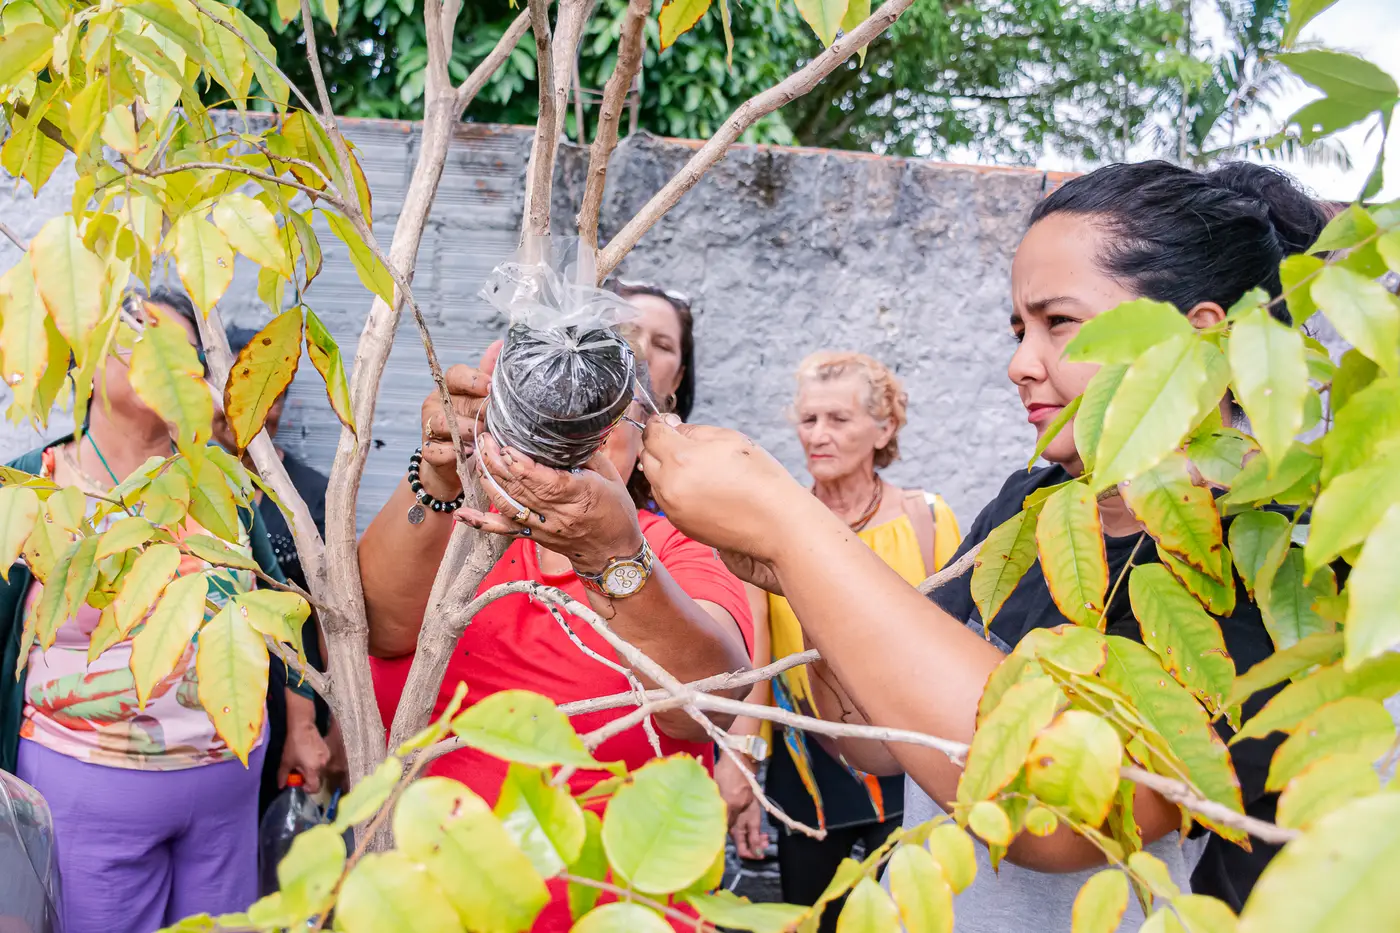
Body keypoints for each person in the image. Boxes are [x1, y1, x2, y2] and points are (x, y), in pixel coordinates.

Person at [637, 161, 1326, 930]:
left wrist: (794, 530)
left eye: (1058, 323)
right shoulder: (1030, 507)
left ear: (1197, 338)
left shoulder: (1278, 557)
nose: (1020, 364)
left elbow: (1057, 816)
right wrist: (791, 568)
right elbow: (877, 740)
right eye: (1019, 329)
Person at [358, 287, 753, 932]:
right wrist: (438, 475)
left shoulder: (675, 549)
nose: (573, 433)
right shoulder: (454, 533)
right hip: (426, 907)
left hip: (618, 913)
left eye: (604, 414)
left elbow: (703, 706)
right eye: (549, 404)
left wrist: (608, 553)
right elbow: (379, 629)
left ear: (648, 432)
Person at [0, 288, 323, 933]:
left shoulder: (220, 485)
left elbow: (281, 607)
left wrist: (303, 725)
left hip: (225, 795)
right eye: (140, 336)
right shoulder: (33, 491)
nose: (166, 357)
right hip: (85, 789)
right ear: (86, 361)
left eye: (183, 348)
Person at [716, 351, 961, 932]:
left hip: (912, 765)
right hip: (809, 767)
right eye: (808, 419)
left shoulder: (927, 519)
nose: (817, 435)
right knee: (810, 918)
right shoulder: (773, 528)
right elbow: (756, 659)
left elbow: (955, 648)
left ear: (885, 428)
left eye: (838, 419)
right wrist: (743, 763)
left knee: (908, 918)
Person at [213, 326, 343, 813]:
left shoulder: (310, 494)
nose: (255, 408)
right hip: (207, 704)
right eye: (236, 390)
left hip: (293, 703)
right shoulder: (176, 493)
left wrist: (338, 725)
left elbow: (333, 618)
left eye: (272, 395)